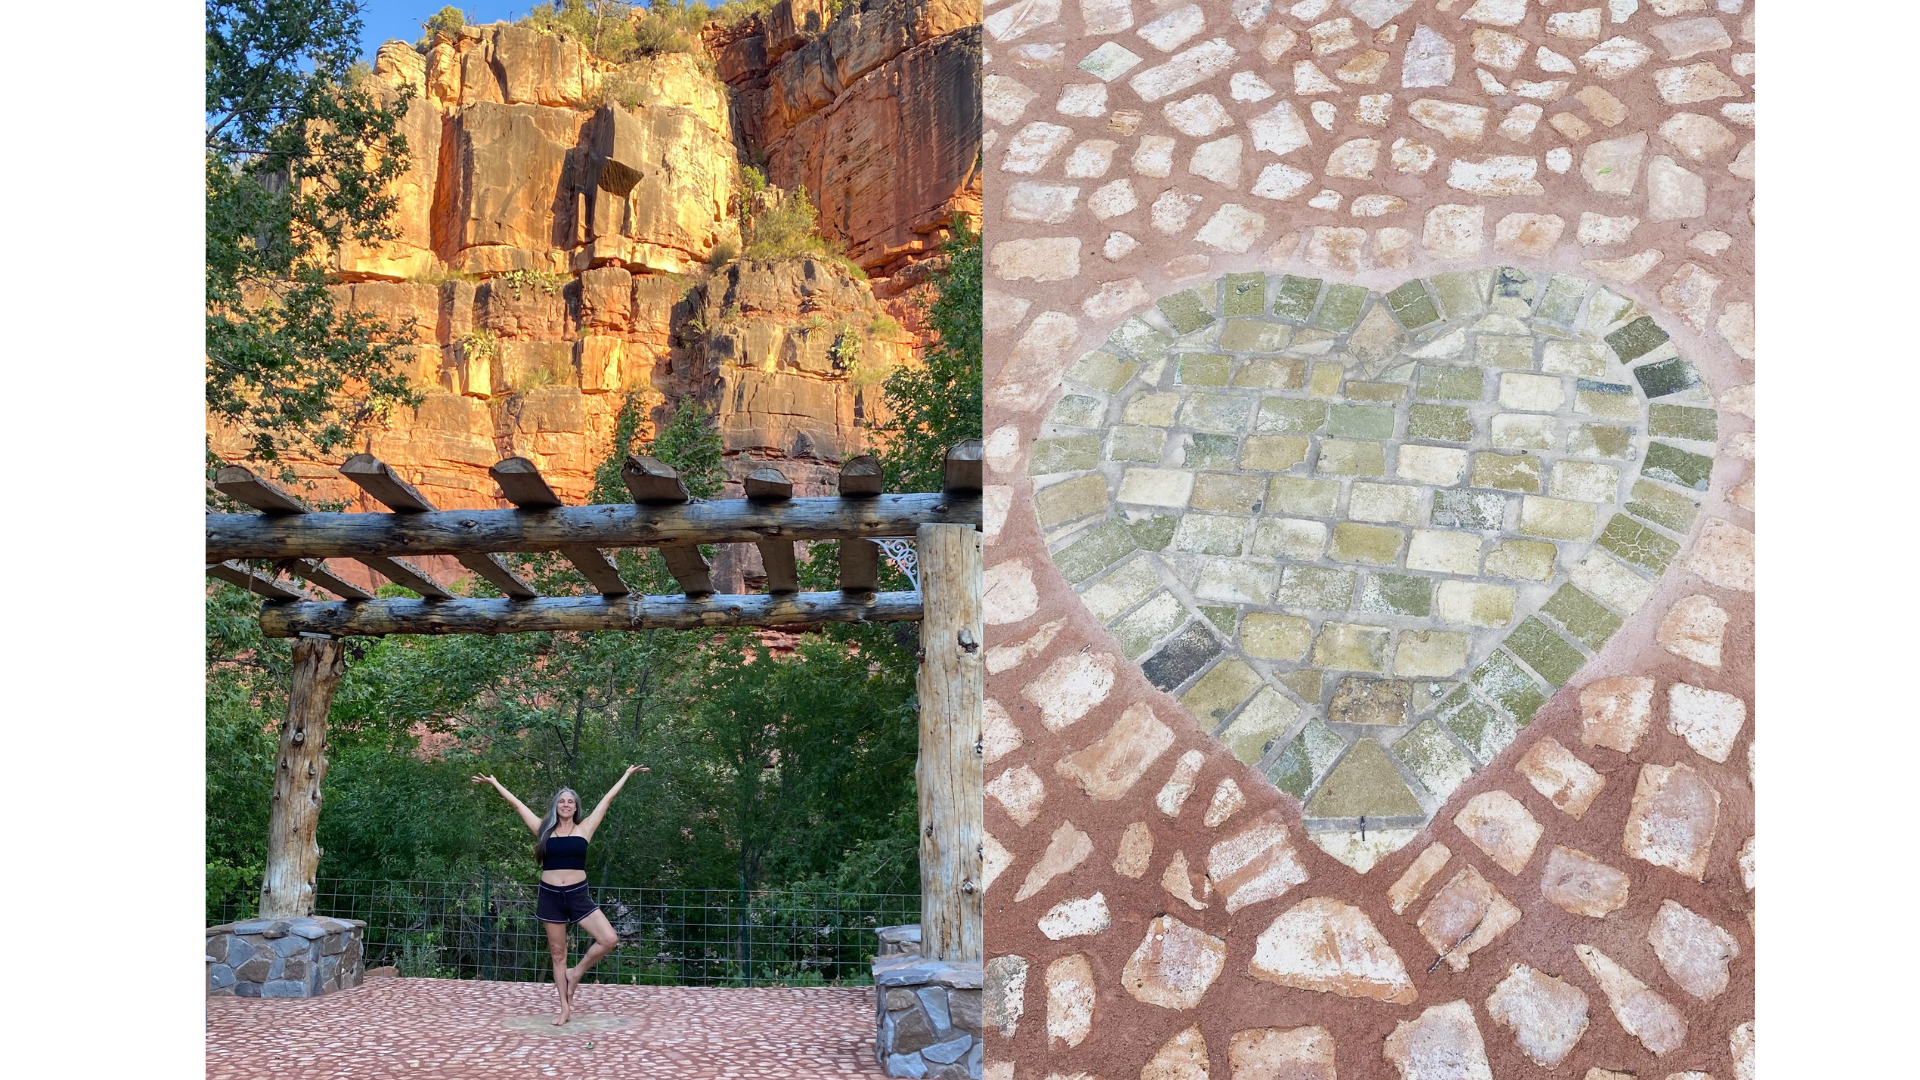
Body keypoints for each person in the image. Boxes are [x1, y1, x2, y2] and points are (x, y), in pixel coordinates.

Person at [472, 766, 648, 1025]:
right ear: (556, 806)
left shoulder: (585, 829)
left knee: (609, 938)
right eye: (562, 801)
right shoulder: (544, 830)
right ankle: (565, 1007)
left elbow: (607, 799)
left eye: (571, 802)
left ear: (576, 808)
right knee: (557, 953)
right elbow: (518, 805)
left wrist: (625, 775)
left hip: (578, 894)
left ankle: (576, 972)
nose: (566, 805)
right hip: (550, 895)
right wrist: (496, 783)